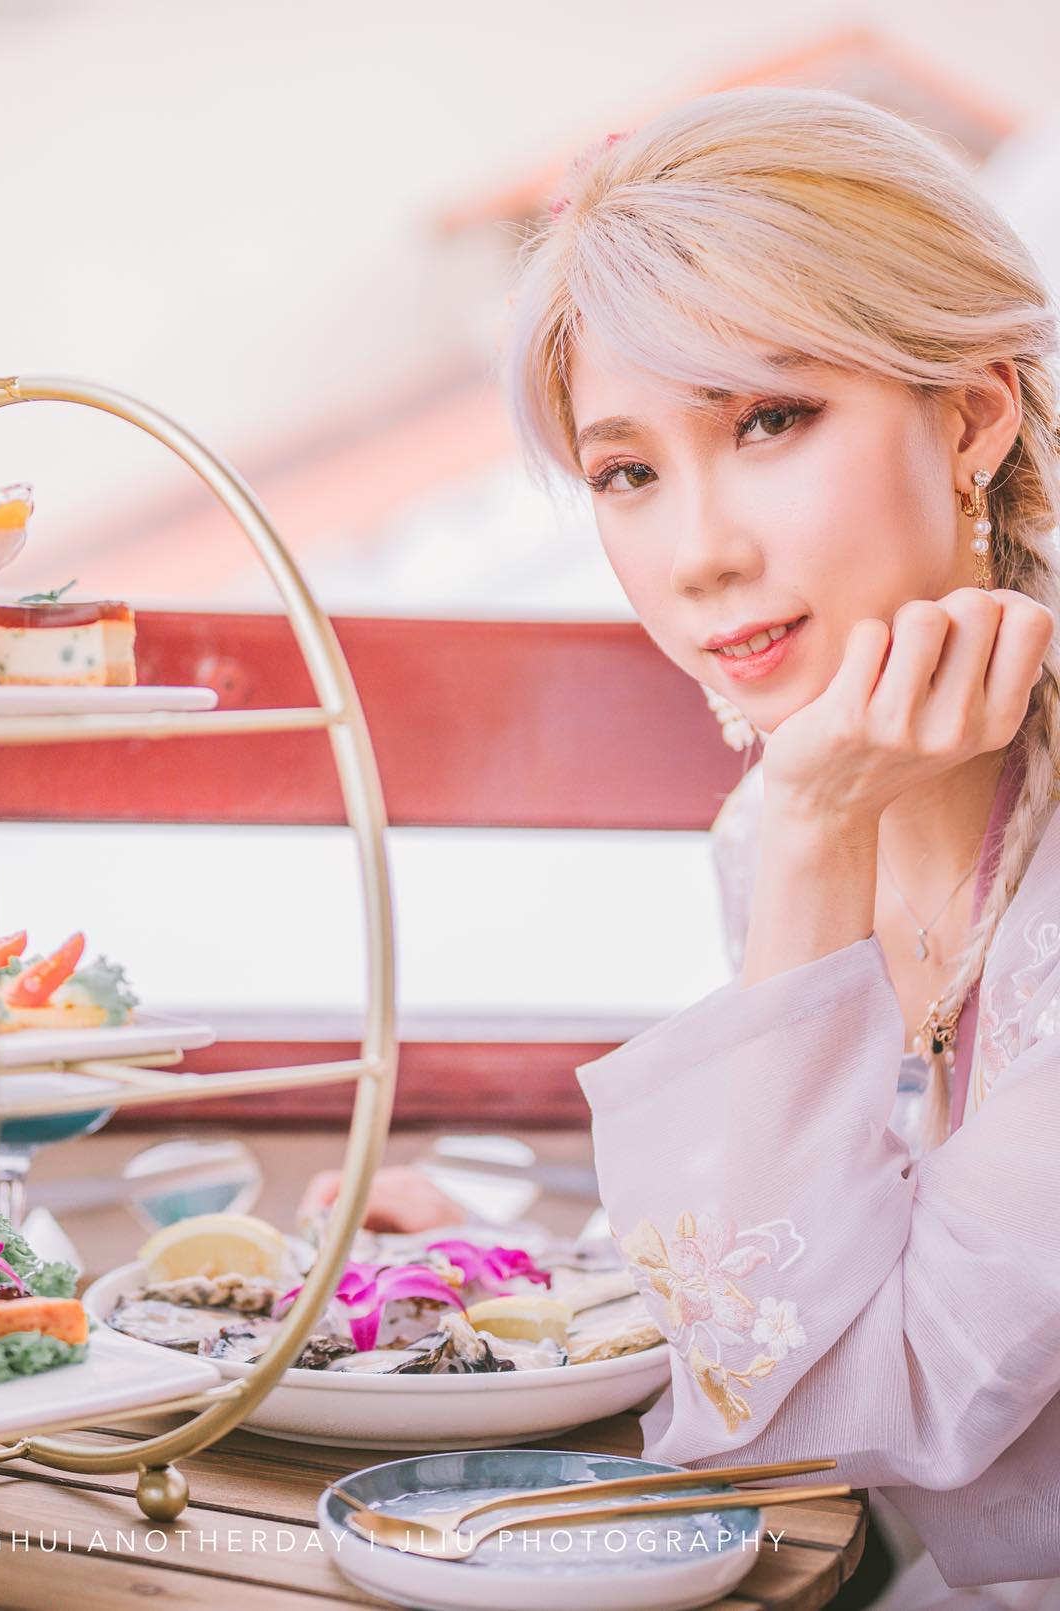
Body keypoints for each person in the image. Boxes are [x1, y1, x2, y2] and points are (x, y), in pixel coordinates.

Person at [311, 89, 1060, 1604]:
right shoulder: (783, 820)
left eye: (769, 421)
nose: (701, 552)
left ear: (974, 417)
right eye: (627, 473)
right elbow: (796, 1300)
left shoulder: (810, 818)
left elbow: (833, 1417)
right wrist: (538, 1271)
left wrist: (815, 832)